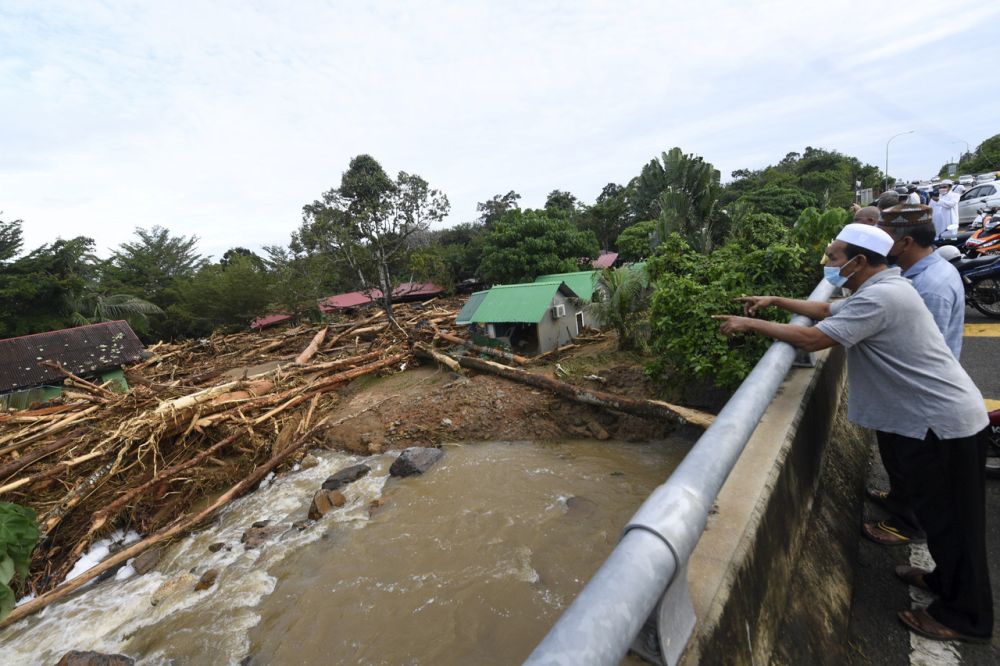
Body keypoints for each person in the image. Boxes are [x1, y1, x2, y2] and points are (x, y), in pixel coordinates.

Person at [713, 223, 992, 643]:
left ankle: (966, 618)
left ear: (859, 262)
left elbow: (811, 339)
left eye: (835, 257)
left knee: (956, 524)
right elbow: (825, 311)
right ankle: (945, 584)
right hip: (929, 424)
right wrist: (773, 300)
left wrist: (750, 325)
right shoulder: (876, 291)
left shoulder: (881, 298)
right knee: (940, 518)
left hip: (941, 426)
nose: (829, 265)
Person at [858, 205, 967, 547]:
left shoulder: (929, 286)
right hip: (902, 392)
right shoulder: (916, 272)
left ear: (904, 242)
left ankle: (907, 524)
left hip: (918, 396)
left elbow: (917, 350)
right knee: (895, 455)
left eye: (884, 235)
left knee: (914, 463)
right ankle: (897, 499)